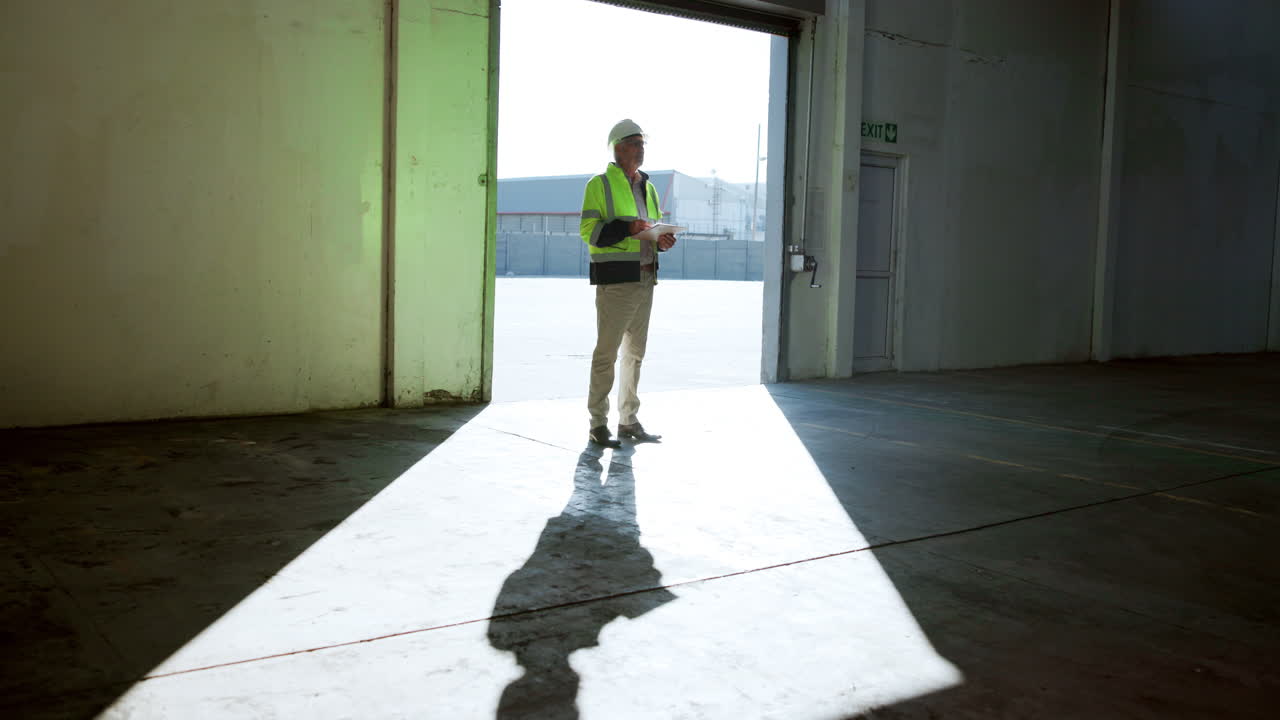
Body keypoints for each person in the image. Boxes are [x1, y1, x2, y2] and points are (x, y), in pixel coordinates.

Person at [579, 119, 678, 448]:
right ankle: (597, 424)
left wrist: (661, 240)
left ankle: (628, 420)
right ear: (618, 147)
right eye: (636, 143)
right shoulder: (600, 184)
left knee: (635, 354)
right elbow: (589, 232)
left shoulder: (647, 187)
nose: (641, 148)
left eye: (642, 143)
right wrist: (627, 228)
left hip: (646, 276)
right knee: (606, 354)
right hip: (616, 280)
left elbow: (649, 227)